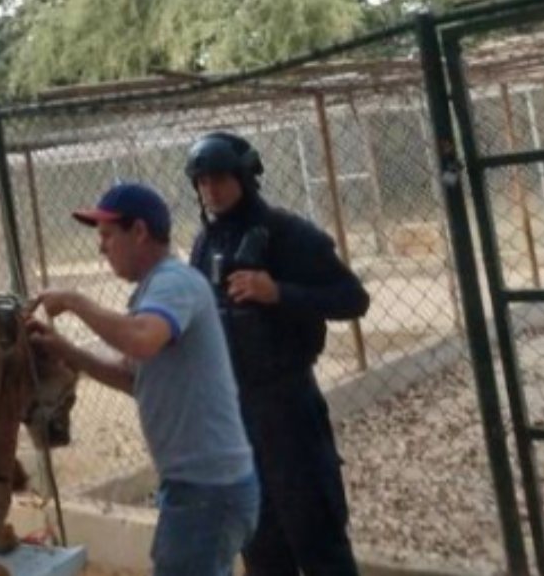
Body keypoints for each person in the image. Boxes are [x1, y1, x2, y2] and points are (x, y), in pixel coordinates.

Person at [24, 181, 258, 576]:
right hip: (195, 487)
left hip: (206, 490)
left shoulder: (174, 282)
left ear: (139, 232)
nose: (101, 247)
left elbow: (143, 339)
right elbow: (133, 379)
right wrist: (66, 351)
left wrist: (76, 301)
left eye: (107, 236)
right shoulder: (155, 291)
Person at [184, 132, 370, 576]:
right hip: (233, 410)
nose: (210, 189)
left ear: (246, 178)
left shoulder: (288, 234)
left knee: (315, 532)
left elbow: (352, 298)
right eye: (202, 180)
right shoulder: (204, 244)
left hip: (288, 405)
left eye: (220, 178)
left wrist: (278, 293)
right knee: (259, 540)